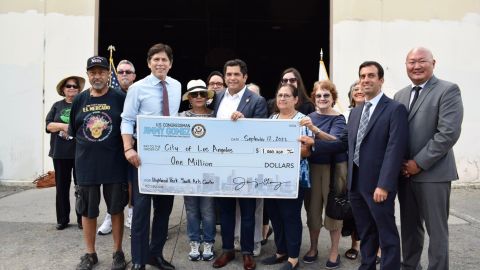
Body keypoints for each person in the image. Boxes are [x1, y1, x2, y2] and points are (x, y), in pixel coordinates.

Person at [313, 61, 409, 270]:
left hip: (378, 186)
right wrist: (314, 144)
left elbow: (395, 149)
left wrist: (384, 185)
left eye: (371, 76)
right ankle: (367, 266)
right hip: (355, 184)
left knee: (386, 233)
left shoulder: (395, 109)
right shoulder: (356, 112)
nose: (366, 80)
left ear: (381, 80)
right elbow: (342, 143)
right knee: (365, 231)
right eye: (362, 76)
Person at [395, 47, 464, 270]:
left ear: (433, 63)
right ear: (405, 65)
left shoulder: (448, 90)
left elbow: (448, 133)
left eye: (421, 61)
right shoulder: (400, 95)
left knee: (437, 231)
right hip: (405, 175)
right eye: (411, 62)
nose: (416, 66)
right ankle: (410, 266)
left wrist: (419, 163)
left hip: (433, 174)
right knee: (409, 228)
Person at [121, 43, 181, 270]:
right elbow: (127, 119)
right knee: (142, 211)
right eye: (155, 59)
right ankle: (138, 259)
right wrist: (129, 149)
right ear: (148, 63)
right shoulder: (138, 88)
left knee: (164, 210)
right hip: (143, 156)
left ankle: (155, 254)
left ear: (170, 63)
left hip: (168, 157)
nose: (160, 63)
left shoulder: (176, 86)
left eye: (164, 60)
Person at [69, 56, 128, 270]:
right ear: (88, 75)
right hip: (86, 166)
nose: (97, 76)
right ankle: (90, 253)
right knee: (87, 210)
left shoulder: (120, 97)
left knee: (116, 209)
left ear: (108, 74)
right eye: (92, 72)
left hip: (114, 164)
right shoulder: (79, 100)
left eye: (101, 72)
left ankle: (118, 252)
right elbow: (74, 131)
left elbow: (127, 127)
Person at [212, 59, 268, 270]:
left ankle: (247, 252)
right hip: (221, 164)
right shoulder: (217, 98)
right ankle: (227, 250)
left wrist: (245, 121)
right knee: (225, 211)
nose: (232, 78)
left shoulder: (256, 100)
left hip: (247, 165)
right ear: (225, 77)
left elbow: (262, 133)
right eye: (229, 75)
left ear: (245, 77)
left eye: (236, 74)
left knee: (247, 212)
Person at [261, 83, 313, 270]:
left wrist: (285, 152)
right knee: (275, 214)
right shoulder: (272, 118)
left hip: (294, 178)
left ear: (296, 99)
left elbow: (307, 152)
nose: (282, 98)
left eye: (286, 96)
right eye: (280, 95)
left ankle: (293, 257)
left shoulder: (303, 120)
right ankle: (280, 251)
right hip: (271, 177)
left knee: (290, 216)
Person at [300, 80, 347, 269]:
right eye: (319, 95)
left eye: (326, 95)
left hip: (334, 169)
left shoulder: (339, 118)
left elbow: (336, 142)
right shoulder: (307, 117)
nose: (322, 98)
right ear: (314, 98)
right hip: (312, 168)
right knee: (312, 210)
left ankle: (334, 251)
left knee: (333, 211)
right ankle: (313, 248)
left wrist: (314, 134)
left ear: (333, 98)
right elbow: (302, 143)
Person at [178, 79, 216, 262]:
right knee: (192, 209)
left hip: (210, 172)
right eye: (194, 94)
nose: (199, 97)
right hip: (188, 172)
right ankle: (194, 241)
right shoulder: (179, 117)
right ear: (189, 98)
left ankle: (208, 242)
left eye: (202, 94)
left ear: (207, 97)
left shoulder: (217, 116)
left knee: (208, 210)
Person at [98, 59, 137, 235]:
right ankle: (110, 215)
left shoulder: (139, 93)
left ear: (134, 76)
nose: (123, 75)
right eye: (120, 72)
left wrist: (132, 140)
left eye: (127, 72)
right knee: (112, 184)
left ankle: (131, 213)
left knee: (131, 182)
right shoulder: (108, 95)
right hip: (112, 147)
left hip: (133, 146)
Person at [46, 75, 85, 230]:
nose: (72, 88)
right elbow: (48, 126)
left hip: (80, 152)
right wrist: (64, 126)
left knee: (81, 187)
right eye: (68, 86)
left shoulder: (83, 104)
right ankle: (62, 219)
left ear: (79, 89)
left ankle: (83, 219)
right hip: (60, 153)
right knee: (61, 187)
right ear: (63, 89)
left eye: (75, 86)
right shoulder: (57, 106)